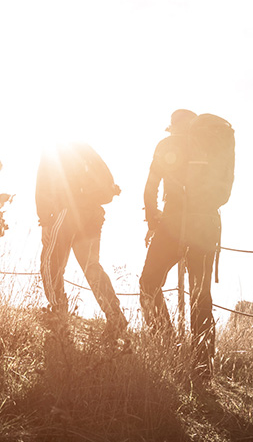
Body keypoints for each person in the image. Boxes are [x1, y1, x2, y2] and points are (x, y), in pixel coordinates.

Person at [140, 109, 234, 379]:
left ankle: (166, 346)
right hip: (207, 225)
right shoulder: (212, 146)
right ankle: (203, 365)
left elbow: (150, 187)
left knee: (148, 284)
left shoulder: (168, 145)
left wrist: (152, 221)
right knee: (201, 294)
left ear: (173, 126)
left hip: (172, 223)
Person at [35, 142, 127, 337]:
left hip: (67, 212)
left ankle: (58, 314)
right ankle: (115, 316)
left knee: (50, 263)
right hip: (93, 214)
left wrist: (44, 220)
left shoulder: (53, 147)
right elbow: (108, 181)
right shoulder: (86, 149)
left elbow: (43, 184)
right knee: (91, 265)